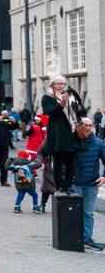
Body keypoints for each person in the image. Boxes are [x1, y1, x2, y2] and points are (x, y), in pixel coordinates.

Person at [41, 76, 81, 194]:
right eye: (58, 84)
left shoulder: (71, 96)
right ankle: (59, 187)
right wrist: (62, 102)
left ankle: (68, 186)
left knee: (71, 163)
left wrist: (75, 105)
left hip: (72, 132)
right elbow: (50, 112)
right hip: (58, 134)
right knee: (58, 162)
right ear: (52, 85)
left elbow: (81, 110)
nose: (61, 86)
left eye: (63, 84)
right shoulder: (47, 97)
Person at [70, 118, 105, 251]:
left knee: (88, 213)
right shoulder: (72, 141)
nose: (89, 128)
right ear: (79, 126)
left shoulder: (98, 143)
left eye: (91, 125)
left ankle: (87, 239)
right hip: (74, 184)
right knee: (73, 212)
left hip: (91, 184)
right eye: (86, 125)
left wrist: (104, 177)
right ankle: (72, 238)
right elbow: (63, 162)